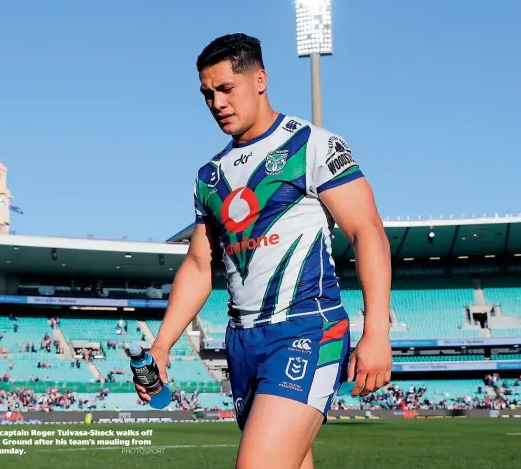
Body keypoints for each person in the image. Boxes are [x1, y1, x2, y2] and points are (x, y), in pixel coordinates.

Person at [134, 33, 392, 469]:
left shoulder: (313, 145)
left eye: (225, 89)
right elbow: (200, 265)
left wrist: (377, 331)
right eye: (207, 94)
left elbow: (367, 232)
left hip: (307, 328)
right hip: (243, 341)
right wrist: (161, 346)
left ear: (259, 79)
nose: (216, 103)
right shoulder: (209, 176)